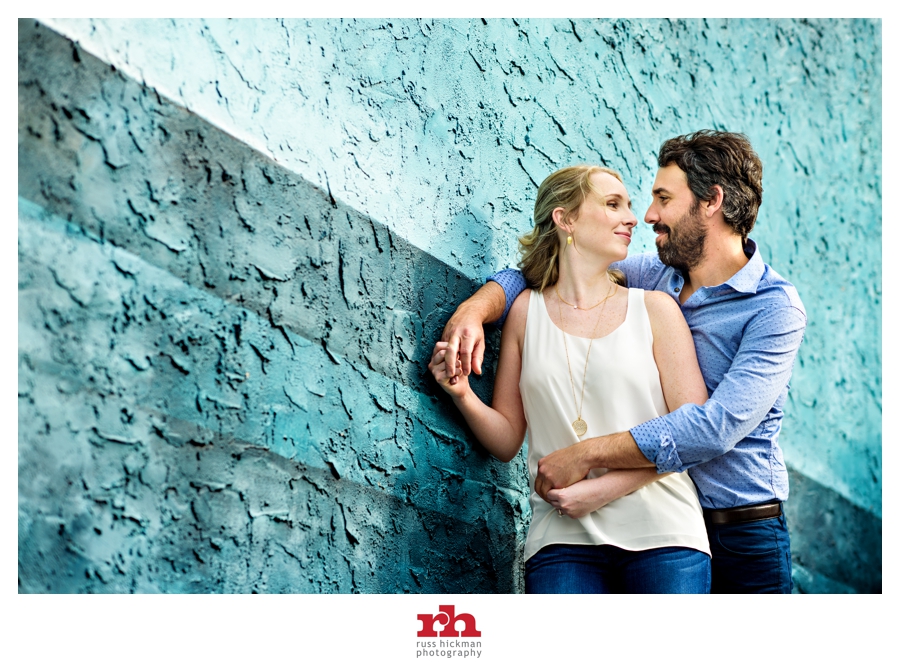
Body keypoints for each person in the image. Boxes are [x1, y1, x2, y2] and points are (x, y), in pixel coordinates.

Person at [441, 130, 807, 594]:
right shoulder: (651, 276)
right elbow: (537, 273)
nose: (648, 215)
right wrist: (474, 310)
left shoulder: (774, 308)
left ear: (711, 201)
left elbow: (712, 429)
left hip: (742, 529)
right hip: (662, 512)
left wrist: (587, 457)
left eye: (663, 198)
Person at [429, 164, 712, 593]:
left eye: (629, 206)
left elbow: (692, 434)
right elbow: (508, 440)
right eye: (613, 204)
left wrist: (601, 490)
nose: (633, 218)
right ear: (565, 220)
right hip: (561, 539)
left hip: (664, 536)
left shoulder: (656, 309)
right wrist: (462, 393)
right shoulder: (525, 312)